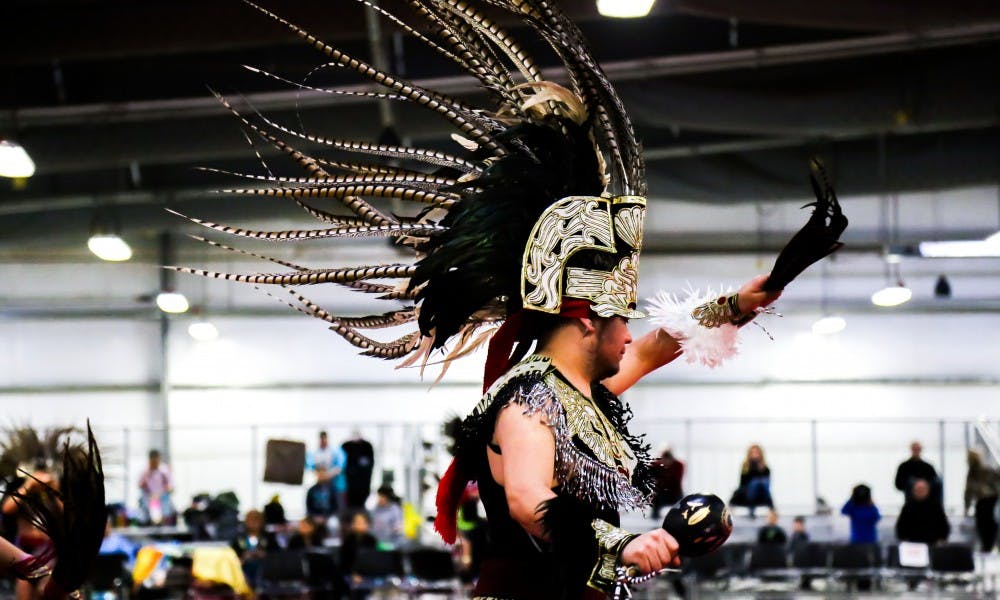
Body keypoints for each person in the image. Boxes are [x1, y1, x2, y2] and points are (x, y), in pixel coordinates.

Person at [172, 1, 844, 596]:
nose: (627, 331)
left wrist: (737, 304)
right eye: (621, 316)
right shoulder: (528, 401)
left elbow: (656, 345)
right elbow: (527, 500)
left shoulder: (584, 391)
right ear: (585, 317)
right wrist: (620, 548)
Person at [231, 509, 278, 588]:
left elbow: (278, 558)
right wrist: (244, 558)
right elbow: (231, 559)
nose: (253, 522)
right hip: (243, 574)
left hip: (266, 576)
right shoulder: (238, 539)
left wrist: (265, 556)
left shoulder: (270, 538)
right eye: (250, 519)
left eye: (256, 519)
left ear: (262, 521)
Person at [964, 448, 999, 552]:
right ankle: (987, 545)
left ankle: (989, 545)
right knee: (983, 523)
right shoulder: (972, 473)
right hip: (983, 500)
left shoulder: (985, 469)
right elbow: (968, 491)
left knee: (988, 522)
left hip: (989, 499)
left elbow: (968, 491)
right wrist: (967, 506)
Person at [896, 478, 950, 546]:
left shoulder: (935, 507)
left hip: (932, 544)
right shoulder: (908, 508)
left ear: (927, 491)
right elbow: (900, 527)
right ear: (913, 491)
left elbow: (944, 526)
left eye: (922, 490)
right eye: (918, 490)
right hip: (912, 545)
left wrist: (941, 539)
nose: (920, 492)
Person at [731, 445, 773, 517]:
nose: (755, 455)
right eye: (753, 453)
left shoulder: (765, 468)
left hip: (762, 494)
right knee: (755, 482)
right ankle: (753, 507)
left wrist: (760, 470)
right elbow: (742, 483)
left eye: (756, 452)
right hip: (748, 493)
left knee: (761, 482)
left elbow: (767, 485)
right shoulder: (746, 467)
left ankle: (771, 510)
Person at [138, 449, 174, 525]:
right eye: (152, 461)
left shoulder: (164, 470)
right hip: (149, 499)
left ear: (159, 459)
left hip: (162, 499)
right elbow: (140, 485)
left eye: (156, 461)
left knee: (163, 513)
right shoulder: (145, 471)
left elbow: (171, 487)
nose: (154, 464)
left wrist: (160, 494)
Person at [649, 446, 685, 520]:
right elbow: (649, 476)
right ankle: (655, 517)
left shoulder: (679, 465)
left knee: (681, 503)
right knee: (655, 499)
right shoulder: (656, 465)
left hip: (675, 492)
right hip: (660, 492)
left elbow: (677, 481)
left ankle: (679, 518)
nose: (666, 463)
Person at [342, 432, 375, 509]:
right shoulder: (345, 446)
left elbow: (370, 466)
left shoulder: (367, 446)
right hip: (349, 486)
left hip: (363, 486)